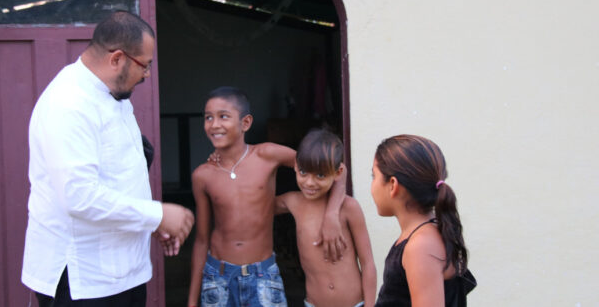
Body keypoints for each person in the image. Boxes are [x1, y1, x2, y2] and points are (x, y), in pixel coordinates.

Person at [21, 11, 195, 306]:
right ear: (116, 59)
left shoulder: (112, 93)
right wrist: (157, 214)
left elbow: (119, 175)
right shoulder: (69, 104)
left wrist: (149, 223)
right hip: (83, 278)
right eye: (145, 65)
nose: (148, 74)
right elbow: (80, 196)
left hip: (121, 272)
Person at [187, 87, 347, 307]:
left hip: (262, 277)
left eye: (223, 116)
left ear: (245, 123)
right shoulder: (202, 175)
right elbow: (202, 239)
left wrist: (332, 214)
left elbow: (335, 170)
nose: (214, 124)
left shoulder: (267, 155)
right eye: (208, 118)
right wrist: (192, 300)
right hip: (217, 278)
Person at [275, 129, 377, 307]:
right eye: (303, 172)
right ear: (295, 167)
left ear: (337, 173)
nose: (309, 182)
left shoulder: (349, 208)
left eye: (320, 175)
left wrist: (370, 305)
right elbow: (255, 207)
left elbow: (368, 263)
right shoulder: (293, 202)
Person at [370, 135, 476, 306]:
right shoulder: (422, 235)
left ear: (392, 185)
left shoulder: (421, 246)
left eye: (373, 176)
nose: (372, 184)